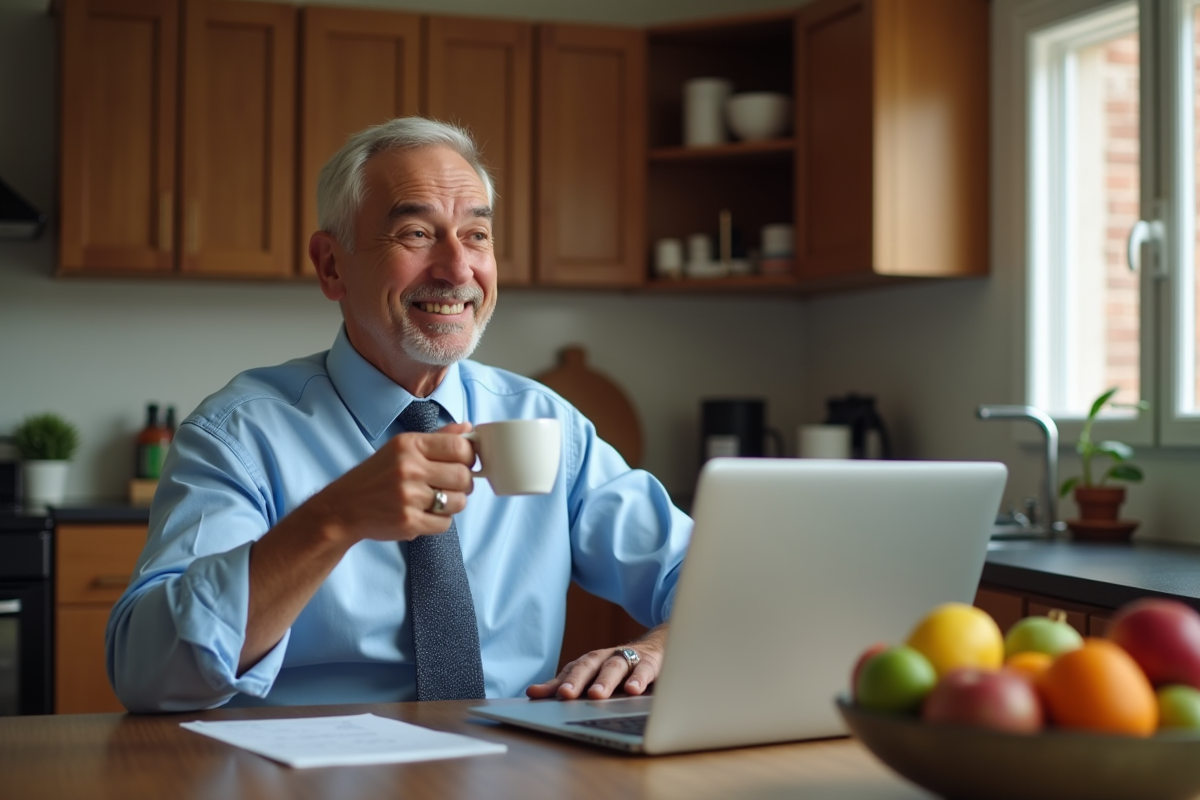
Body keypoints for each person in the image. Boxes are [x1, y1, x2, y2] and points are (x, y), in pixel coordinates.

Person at [106, 117, 692, 713]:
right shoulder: (239, 437)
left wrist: (657, 650)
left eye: (477, 235)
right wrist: (333, 517)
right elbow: (148, 672)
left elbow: (713, 577)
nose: (458, 269)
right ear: (331, 265)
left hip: (512, 767)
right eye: (417, 233)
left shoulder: (546, 424)